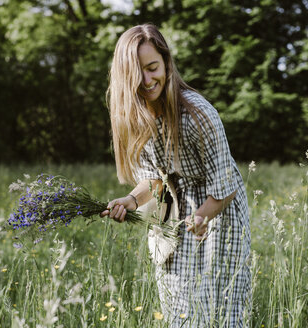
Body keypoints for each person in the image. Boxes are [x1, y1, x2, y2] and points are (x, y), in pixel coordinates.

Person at [100, 23, 251, 327]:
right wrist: (132, 200)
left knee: (220, 310)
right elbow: (155, 180)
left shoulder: (198, 114)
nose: (146, 80)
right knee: (180, 310)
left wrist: (201, 216)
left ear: (167, 63)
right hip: (172, 217)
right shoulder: (139, 117)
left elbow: (227, 185)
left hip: (216, 216)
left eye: (153, 67)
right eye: (136, 74)